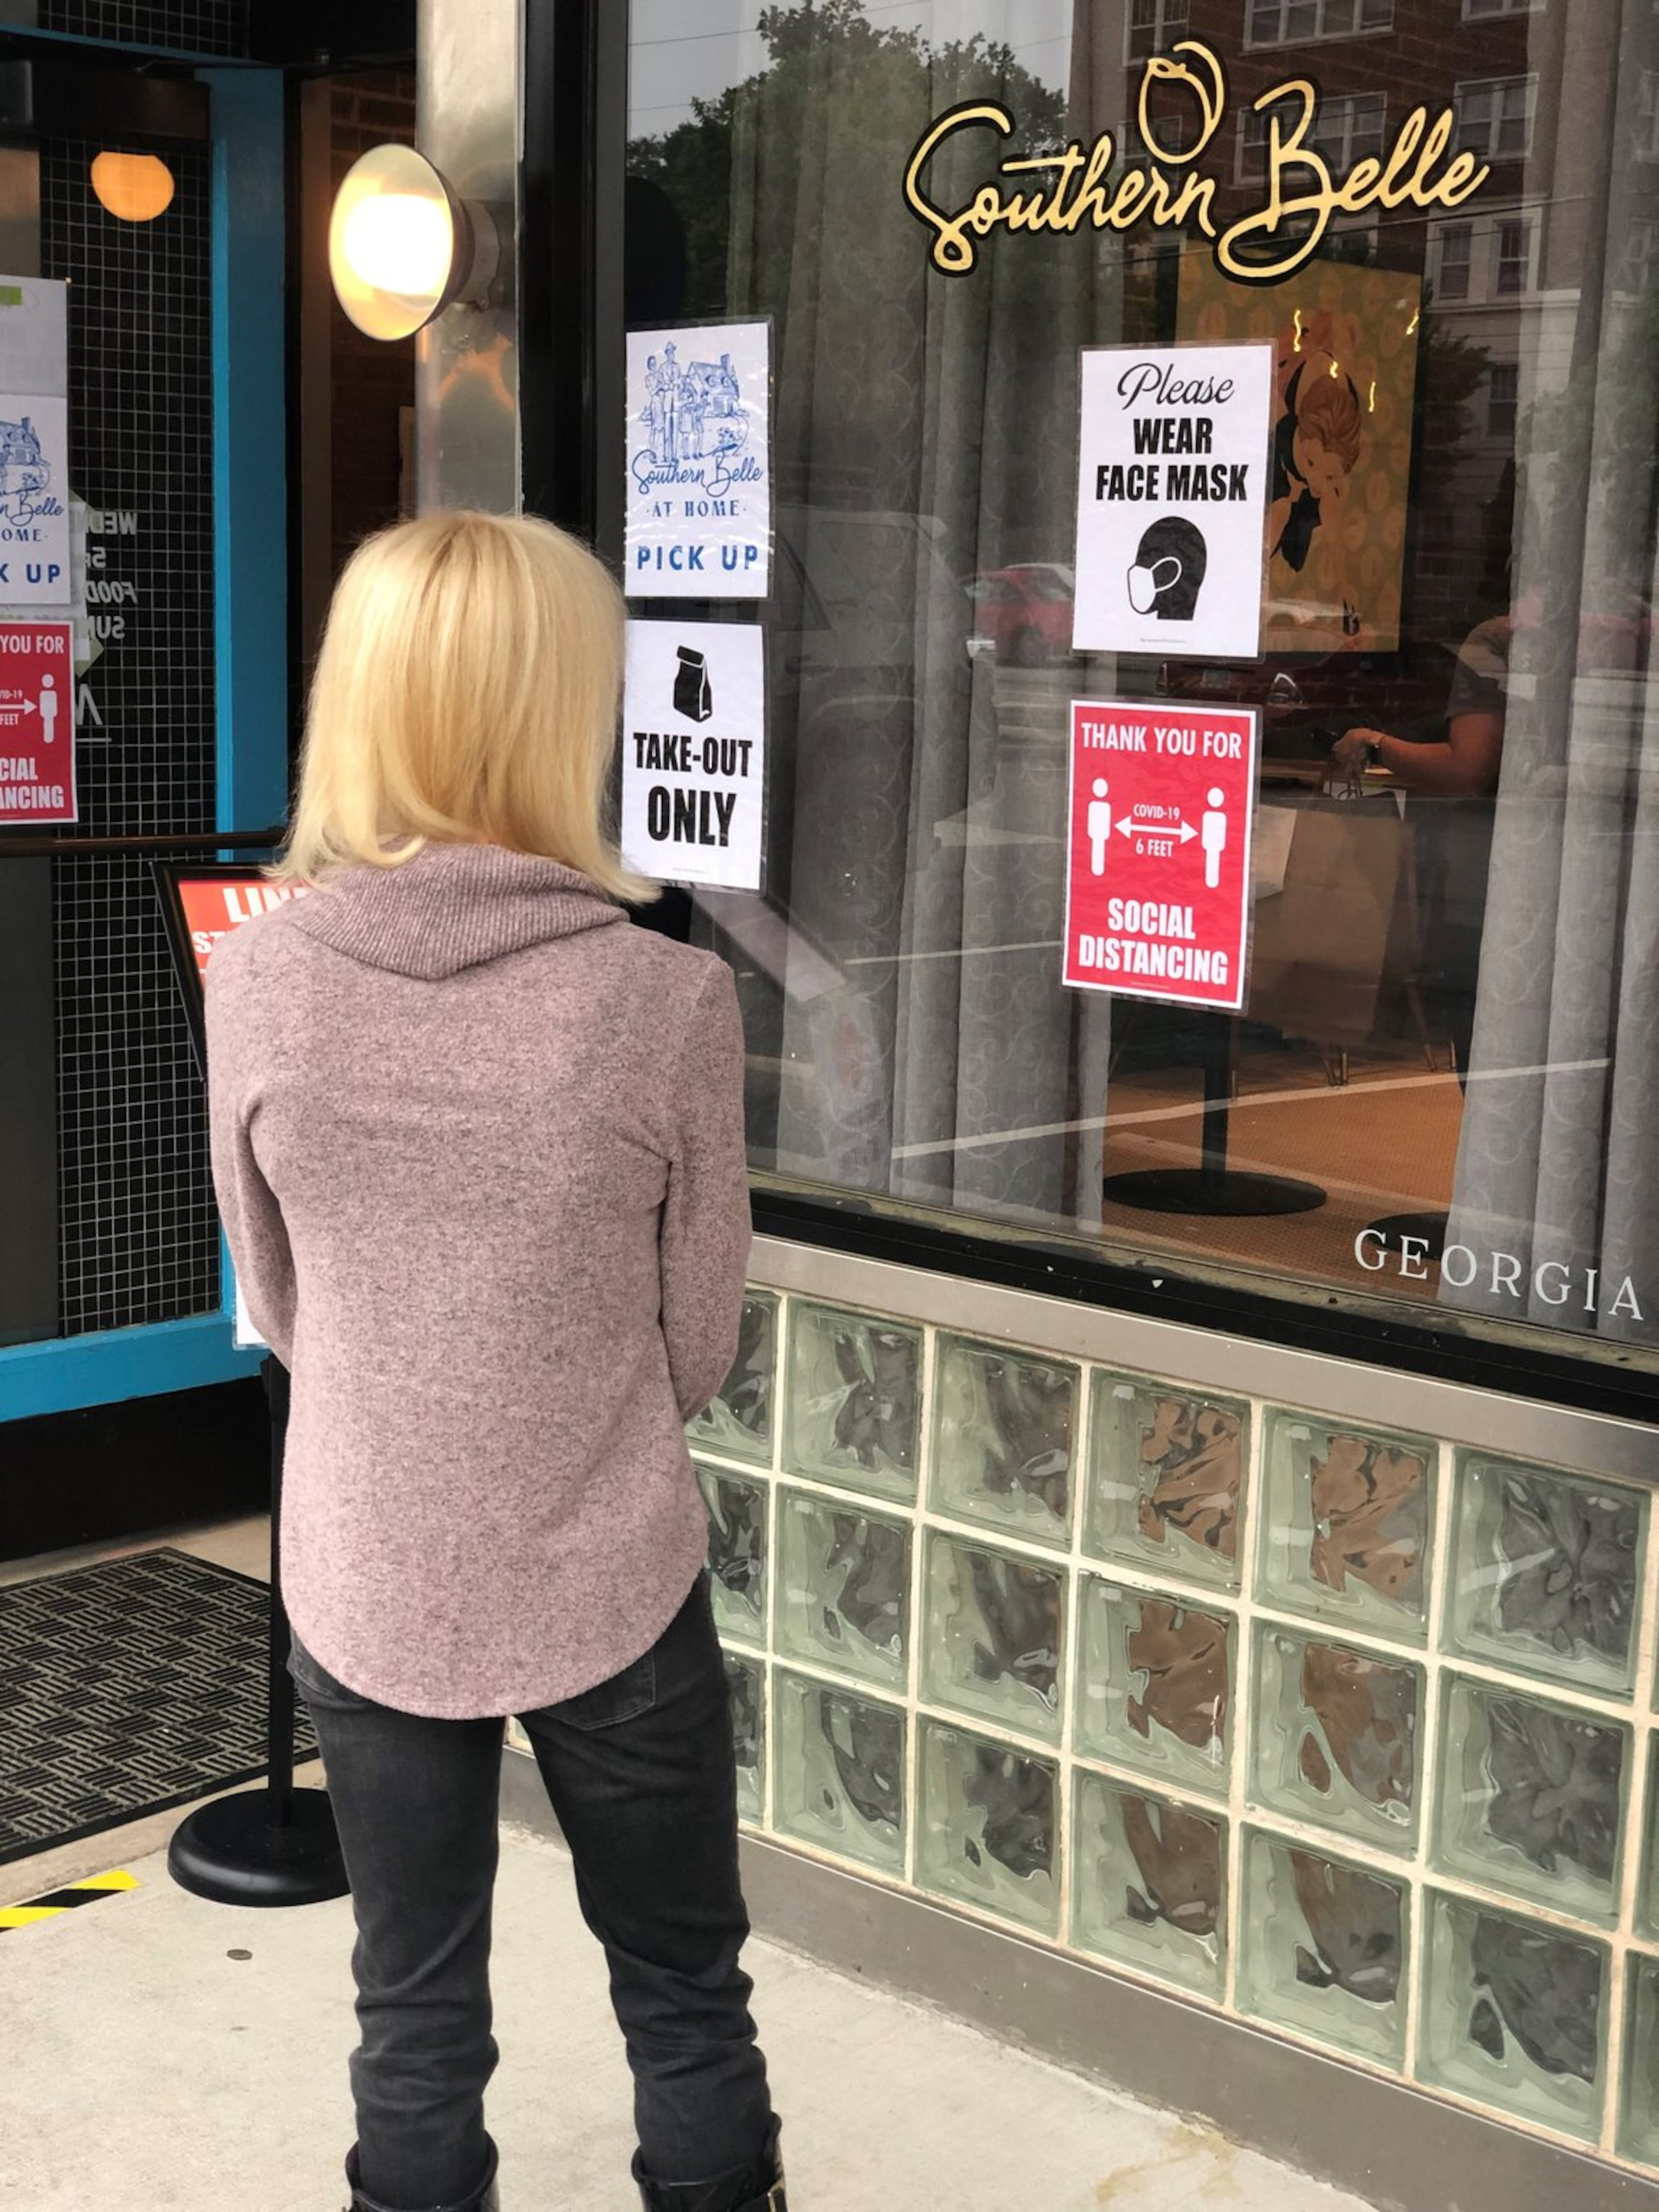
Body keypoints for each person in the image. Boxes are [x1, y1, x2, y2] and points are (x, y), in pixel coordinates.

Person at [205, 510, 785, 2212]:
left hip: (367, 1552)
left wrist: (409, 1402)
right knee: (684, 1990)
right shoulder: (663, 999)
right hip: (610, 1549)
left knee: (411, 2008)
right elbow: (701, 1343)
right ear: (560, 711)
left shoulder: (264, 977)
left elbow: (280, 1290)